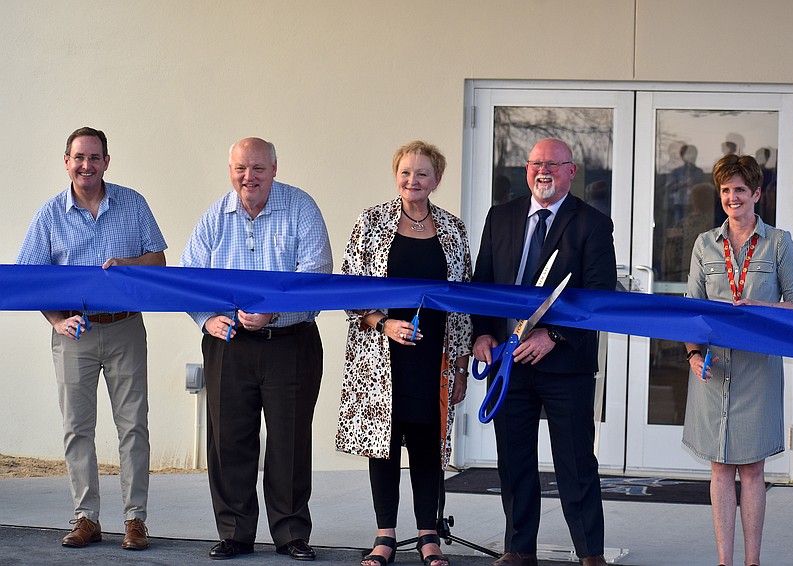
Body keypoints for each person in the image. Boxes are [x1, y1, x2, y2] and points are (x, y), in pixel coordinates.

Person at [180, 137, 332, 560]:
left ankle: (291, 534)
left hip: (290, 343)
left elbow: (316, 273)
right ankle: (234, 532)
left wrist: (273, 311)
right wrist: (206, 319)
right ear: (230, 170)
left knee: (289, 442)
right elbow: (189, 278)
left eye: (258, 168)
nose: (249, 177)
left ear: (274, 168)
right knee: (228, 441)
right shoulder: (215, 215)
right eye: (241, 169)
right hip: (228, 346)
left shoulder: (301, 208)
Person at [16, 126, 167, 550]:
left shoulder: (133, 204)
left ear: (106, 161)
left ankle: (135, 520)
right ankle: (87, 518)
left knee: (133, 425)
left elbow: (159, 259)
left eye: (94, 157)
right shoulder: (49, 215)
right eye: (78, 157)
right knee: (77, 428)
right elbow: (32, 279)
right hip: (73, 333)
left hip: (125, 329)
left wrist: (128, 264)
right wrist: (56, 321)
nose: (86, 165)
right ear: (67, 162)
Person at [472, 138, 616, 566]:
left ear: (572, 172)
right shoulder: (500, 217)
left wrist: (552, 336)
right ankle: (519, 549)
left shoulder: (592, 224)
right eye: (536, 163)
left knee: (574, 463)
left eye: (554, 163)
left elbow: (597, 295)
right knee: (514, 461)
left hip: (565, 364)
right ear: (526, 169)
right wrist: (481, 335)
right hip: (507, 362)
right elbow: (482, 285)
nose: (544, 170)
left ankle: (590, 553)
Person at [336, 140, 472, 566]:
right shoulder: (371, 221)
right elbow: (348, 287)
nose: (413, 180)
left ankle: (428, 536)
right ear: (396, 174)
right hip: (381, 354)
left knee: (428, 445)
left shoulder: (453, 228)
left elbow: (464, 298)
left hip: (435, 357)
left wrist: (462, 363)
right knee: (386, 445)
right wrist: (382, 322)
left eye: (423, 174)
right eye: (406, 172)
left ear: (437, 180)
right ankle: (385, 537)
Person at [683, 154, 793, 566]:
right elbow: (691, 311)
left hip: (757, 370)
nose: (732, 197)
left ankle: (752, 562)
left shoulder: (779, 243)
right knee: (720, 469)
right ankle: (725, 562)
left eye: (739, 190)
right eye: (725, 190)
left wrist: (762, 310)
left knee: (751, 470)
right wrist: (693, 356)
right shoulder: (704, 244)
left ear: (756, 194)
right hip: (713, 372)